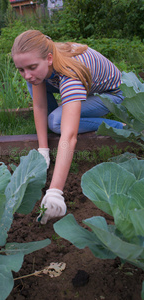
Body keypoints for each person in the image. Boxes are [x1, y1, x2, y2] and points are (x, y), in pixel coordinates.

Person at [11, 30, 124, 224]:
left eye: (31, 67)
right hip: (87, 87)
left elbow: (70, 136)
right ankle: (66, 116)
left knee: (56, 122)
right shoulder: (42, 61)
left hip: (112, 96)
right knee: (36, 85)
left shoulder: (70, 74)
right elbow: (39, 106)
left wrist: (55, 191)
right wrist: (43, 151)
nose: (26, 75)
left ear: (48, 59)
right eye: (21, 70)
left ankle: (118, 125)